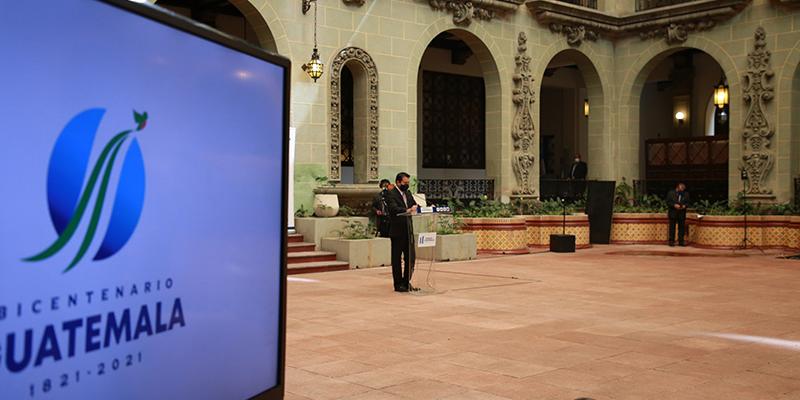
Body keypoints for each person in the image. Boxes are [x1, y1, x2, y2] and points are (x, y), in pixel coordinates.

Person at [386, 172, 417, 292]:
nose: (407, 185)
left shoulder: (408, 193)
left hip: (408, 230)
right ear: (398, 182)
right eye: (405, 183)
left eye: (408, 183)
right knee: (397, 259)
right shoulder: (391, 194)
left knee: (411, 258)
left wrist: (423, 207)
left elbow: (414, 204)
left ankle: (406, 282)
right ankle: (398, 284)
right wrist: (407, 210)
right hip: (397, 231)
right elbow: (393, 209)